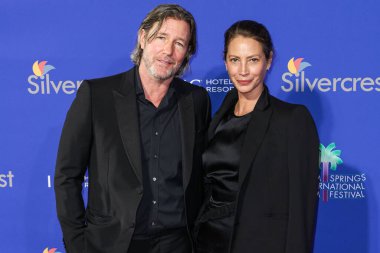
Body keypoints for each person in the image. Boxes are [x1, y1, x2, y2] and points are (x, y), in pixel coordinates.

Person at [54, 4, 211, 253]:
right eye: (161, 37)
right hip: (113, 244)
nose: (168, 51)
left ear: (187, 54)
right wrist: (77, 244)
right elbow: (67, 176)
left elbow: (201, 177)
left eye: (179, 43)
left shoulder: (196, 100)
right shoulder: (96, 96)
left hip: (178, 244)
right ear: (142, 37)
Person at [195, 20, 319, 253]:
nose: (242, 71)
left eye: (253, 60)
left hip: (258, 243)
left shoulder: (291, 119)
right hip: (208, 240)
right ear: (226, 61)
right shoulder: (218, 117)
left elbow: (301, 210)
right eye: (235, 60)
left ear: (268, 61)